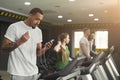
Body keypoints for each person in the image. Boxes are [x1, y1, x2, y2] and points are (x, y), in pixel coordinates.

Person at [1, 8, 52, 80]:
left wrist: (46, 48)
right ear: (30, 15)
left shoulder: (38, 31)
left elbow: (38, 53)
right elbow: (3, 49)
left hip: (33, 72)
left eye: (40, 20)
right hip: (18, 72)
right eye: (36, 19)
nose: (38, 22)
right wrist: (20, 41)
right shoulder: (14, 27)